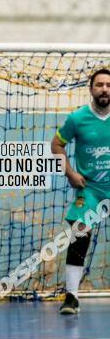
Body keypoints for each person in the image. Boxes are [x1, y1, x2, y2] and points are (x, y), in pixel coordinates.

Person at [51, 68, 110, 314]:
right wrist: (70, 173)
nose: (104, 89)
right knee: (79, 235)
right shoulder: (77, 118)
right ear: (91, 89)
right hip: (91, 189)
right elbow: (56, 144)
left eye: (108, 85)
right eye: (99, 85)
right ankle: (72, 297)